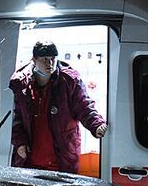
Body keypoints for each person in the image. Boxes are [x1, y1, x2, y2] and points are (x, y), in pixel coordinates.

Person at [11, 42, 107, 173]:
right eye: (44, 59)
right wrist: (20, 143)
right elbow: (16, 118)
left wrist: (96, 124)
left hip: (61, 161)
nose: (49, 63)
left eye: (52, 58)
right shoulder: (21, 83)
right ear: (34, 60)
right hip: (29, 163)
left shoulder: (69, 80)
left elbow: (84, 106)